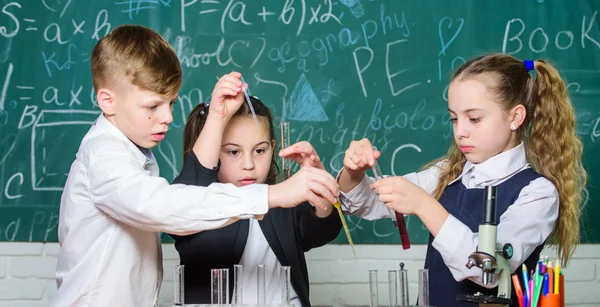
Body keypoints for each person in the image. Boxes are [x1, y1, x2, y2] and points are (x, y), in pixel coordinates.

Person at [51, 25, 339, 307]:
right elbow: (162, 205)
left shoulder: (131, 154)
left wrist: (216, 115)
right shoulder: (103, 155)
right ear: (107, 101)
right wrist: (272, 195)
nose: (167, 117)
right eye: (153, 106)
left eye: (171, 103)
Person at [335, 53, 586, 306]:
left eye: (474, 119)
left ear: (515, 117)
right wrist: (353, 173)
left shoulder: (537, 193)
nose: (460, 132)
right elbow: (364, 202)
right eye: (454, 119)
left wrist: (423, 205)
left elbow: (487, 272)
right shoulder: (447, 173)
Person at [169, 73, 342, 306]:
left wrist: (321, 195)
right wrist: (216, 120)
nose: (248, 164)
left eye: (259, 151)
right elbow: (184, 197)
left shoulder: (282, 202)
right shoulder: (197, 206)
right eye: (233, 152)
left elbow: (320, 231)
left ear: (272, 148)